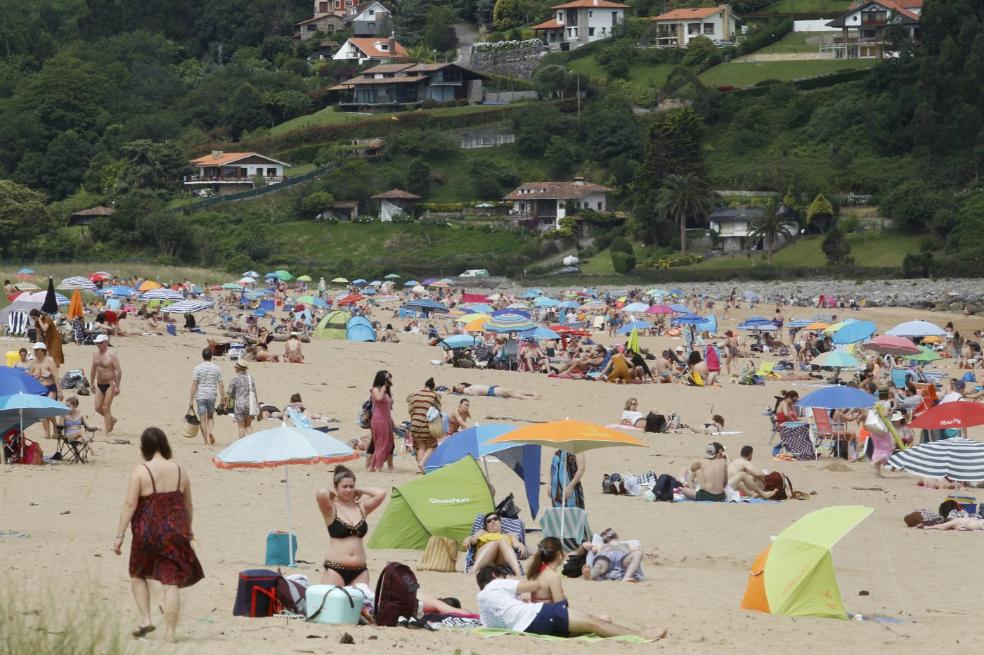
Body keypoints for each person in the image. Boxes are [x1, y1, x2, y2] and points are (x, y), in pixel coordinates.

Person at [113, 428, 203, 643]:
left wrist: (119, 535)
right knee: (170, 583)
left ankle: (145, 619)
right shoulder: (180, 469)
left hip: (147, 532)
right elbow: (188, 504)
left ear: (144, 447)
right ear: (165, 445)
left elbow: (130, 504)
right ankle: (170, 634)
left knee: (137, 574)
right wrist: (188, 529)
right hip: (174, 531)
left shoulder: (140, 471)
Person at [476, 565, 666, 639]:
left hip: (532, 629)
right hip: (540, 616)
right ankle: (641, 634)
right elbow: (533, 586)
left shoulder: (481, 601)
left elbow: (498, 624)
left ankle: (600, 623)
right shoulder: (498, 583)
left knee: (598, 622)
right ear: (494, 575)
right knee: (594, 622)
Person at [315, 465, 387, 586]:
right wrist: (333, 493)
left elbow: (381, 493)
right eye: (344, 487)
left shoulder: (362, 507)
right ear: (336, 487)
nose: (348, 490)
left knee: (361, 604)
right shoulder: (331, 509)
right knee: (333, 604)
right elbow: (321, 493)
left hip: (360, 571)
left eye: (351, 486)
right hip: (335, 569)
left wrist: (361, 490)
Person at [576, 528, 643, 582]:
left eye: (609, 531)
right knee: (599, 564)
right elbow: (593, 550)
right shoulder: (602, 545)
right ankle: (590, 576)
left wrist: (637, 551)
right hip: (606, 556)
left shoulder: (626, 544)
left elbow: (637, 550)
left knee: (638, 553)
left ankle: (626, 578)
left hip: (623, 558)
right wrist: (586, 545)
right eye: (605, 533)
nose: (607, 532)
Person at [189, 348, 224, 446]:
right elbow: (221, 385)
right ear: (211, 357)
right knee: (210, 416)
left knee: (202, 419)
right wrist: (223, 398)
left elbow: (194, 385)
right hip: (212, 395)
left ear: (202, 356)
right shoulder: (217, 368)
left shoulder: (197, 368)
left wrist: (190, 400)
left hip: (201, 396)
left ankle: (205, 441)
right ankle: (211, 431)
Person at [90, 335, 122, 435]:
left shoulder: (111, 354)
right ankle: (111, 419)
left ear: (105, 343)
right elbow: (93, 369)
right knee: (97, 407)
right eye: (96, 343)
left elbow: (119, 370)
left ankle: (107, 432)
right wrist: (91, 383)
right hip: (99, 384)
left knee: (105, 407)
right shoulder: (95, 354)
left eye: (99, 343)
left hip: (110, 384)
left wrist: (117, 386)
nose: (97, 345)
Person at [408, 377, 441, 472]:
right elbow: (437, 411)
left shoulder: (415, 395)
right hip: (426, 426)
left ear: (425, 386)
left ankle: (421, 469)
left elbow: (410, 411)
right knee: (432, 445)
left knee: (421, 446)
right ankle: (422, 464)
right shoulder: (434, 396)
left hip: (414, 425)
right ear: (432, 388)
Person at [30, 342, 61, 439]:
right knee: (42, 413)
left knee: (47, 410)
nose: (35, 352)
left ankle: (55, 426)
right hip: (39, 389)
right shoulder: (34, 362)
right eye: (34, 350)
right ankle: (47, 433)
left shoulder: (49, 360)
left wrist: (59, 391)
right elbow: (31, 376)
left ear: (42, 351)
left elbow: (55, 376)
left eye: (37, 350)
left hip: (50, 388)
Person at [369, 370, 395, 472]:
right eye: (387, 378)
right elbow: (378, 399)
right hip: (378, 420)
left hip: (386, 420)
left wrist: (392, 422)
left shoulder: (387, 392)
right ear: (382, 379)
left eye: (390, 377)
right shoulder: (375, 389)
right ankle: (378, 466)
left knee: (386, 443)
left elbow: (388, 408)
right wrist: (383, 390)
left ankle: (372, 466)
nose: (389, 379)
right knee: (382, 444)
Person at [525, 537, 566, 602]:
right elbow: (559, 607)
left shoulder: (538, 570)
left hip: (536, 609)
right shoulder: (553, 576)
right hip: (545, 610)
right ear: (559, 554)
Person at [227, 360, 258, 439]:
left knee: (241, 427)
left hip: (239, 404)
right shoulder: (250, 378)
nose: (234, 368)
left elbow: (230, 393)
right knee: (248, 425)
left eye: (236, 367)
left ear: (238, 368)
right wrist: (257, 404)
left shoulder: (235, 379)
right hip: (249, 404)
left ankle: (241, 445)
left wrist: (226, 404)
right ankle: (253, 442)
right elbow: (254, 393)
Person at [451, 383, 538, 400]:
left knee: (511, 391)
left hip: (492, 389)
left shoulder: (468, 387)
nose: (459, 385)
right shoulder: (466, 390)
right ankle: (528, 397)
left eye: (459, 384)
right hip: (491, 392)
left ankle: (530, 393)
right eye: (458, 386)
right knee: (510, 392)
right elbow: (474, 394)